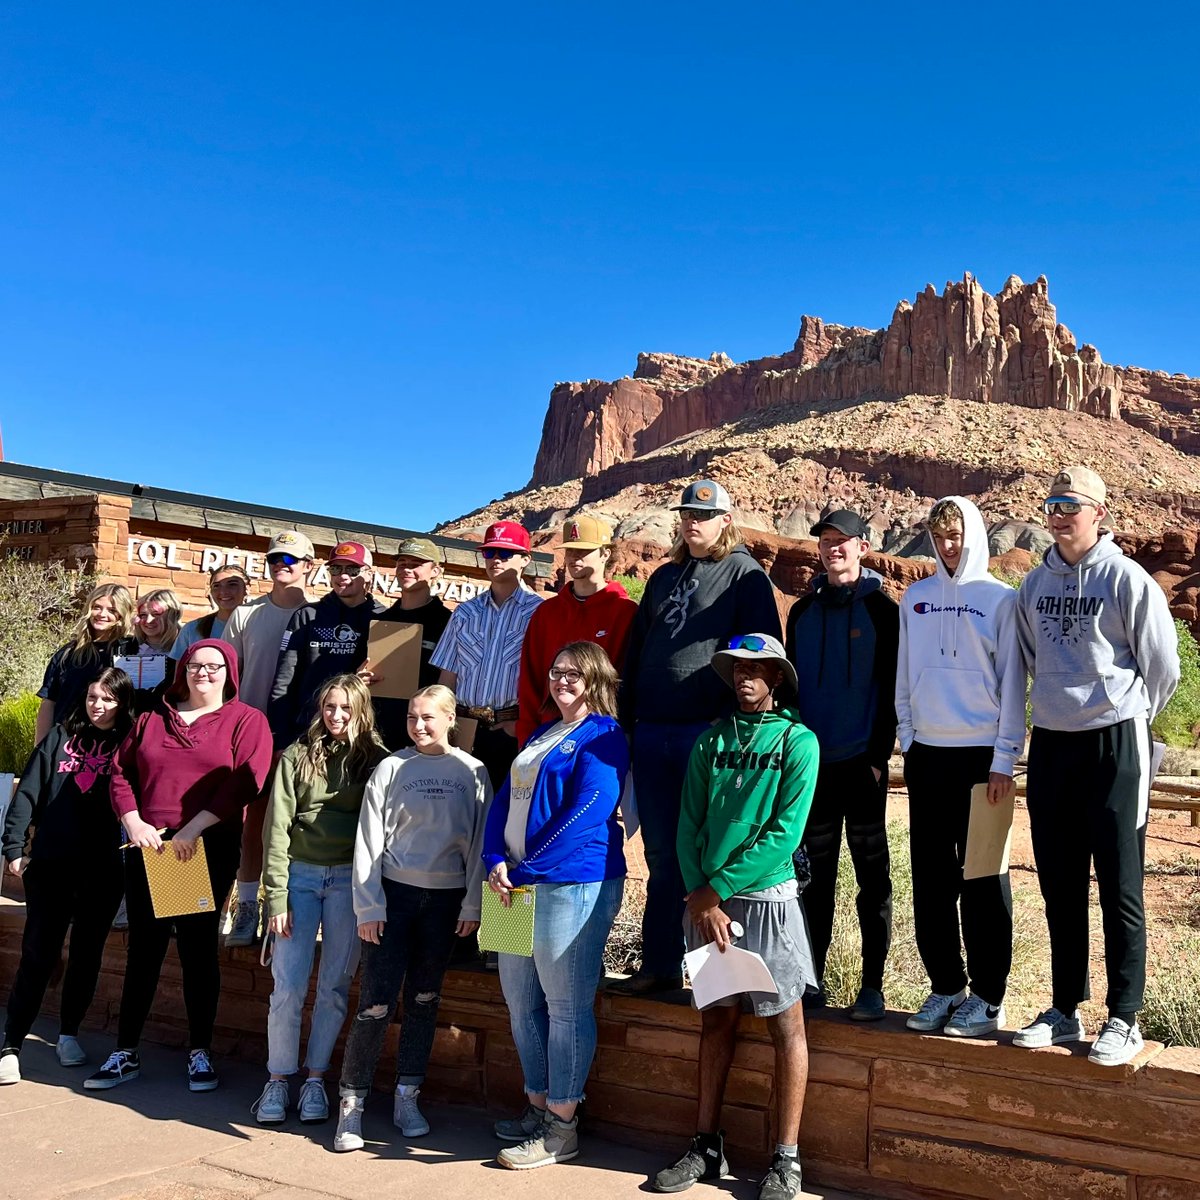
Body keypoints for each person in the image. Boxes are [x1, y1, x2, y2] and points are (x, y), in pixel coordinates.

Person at [1013, 466, 1179, 1066]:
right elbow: (1031, 658)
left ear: (1099, 511)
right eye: (1052, 503)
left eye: (1071, 504)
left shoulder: (1127, 579)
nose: (1059, 514)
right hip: (1053, 745)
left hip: (1116, 745)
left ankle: (1124, 1016)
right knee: (1059, 882)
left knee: (1120, 882)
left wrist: (1124, 715)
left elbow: (1162, 667)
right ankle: (1064, 1008)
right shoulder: (1033, 585)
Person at [653, 634, 818, 1200]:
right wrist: (702, 895)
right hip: (707, 903)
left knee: (785, 1025)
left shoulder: (798, 742)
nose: (744, 677)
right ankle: (705, 1145)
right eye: (737, 669)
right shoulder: (711, 741)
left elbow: (785, 833)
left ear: (777, 677)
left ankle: (787, 1158)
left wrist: (716, 889)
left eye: (757, 669)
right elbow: (687, 823)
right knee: (716, 1020)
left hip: (767, 901)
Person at [614, 479, 782, 996]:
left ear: (724, 521)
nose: (693, 523)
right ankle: (661, 965)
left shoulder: (744, 576)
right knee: (662, 852)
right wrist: (627, 719)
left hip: (703, 733)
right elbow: (636, 652)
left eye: (704, 516)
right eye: (686, 514)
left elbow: (761, 651)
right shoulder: (664, 576)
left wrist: (728, 720)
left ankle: (717, 980)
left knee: (705, 854)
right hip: (652, 731)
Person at [84, 640, 273, 1093]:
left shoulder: (246, 720)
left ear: (229, 672)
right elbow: (120, 772)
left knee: (196, 950)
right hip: (152, 848)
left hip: (200, 851)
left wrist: (194, 829)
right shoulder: (151, 718)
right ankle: (125, 1051)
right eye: (194, 665)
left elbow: (248, 780)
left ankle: (200, 1051)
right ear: (182, 670)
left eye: (213, 666)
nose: (202, 673)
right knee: (144, 950)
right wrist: (132, 821)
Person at [484, 642, 629, 1170]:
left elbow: (587, 813)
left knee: (565, 1006)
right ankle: (538, 1105)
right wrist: (493, 855)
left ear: (595, 679)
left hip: (572, 884)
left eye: (574, 673)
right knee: (520, 1001)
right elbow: (505, 799)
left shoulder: (605, 736)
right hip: (511, 887)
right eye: (556, 671)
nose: (562, 680)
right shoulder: (544, 732)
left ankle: (561, 1129)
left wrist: (521, 870)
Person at [334, 684, 491, 1151]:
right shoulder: (391, 767)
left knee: (424, 998)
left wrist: (472, 904)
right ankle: (352, 1103)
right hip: (393, 899)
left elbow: (482, 843)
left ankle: (407, 1094)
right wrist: (369, 904)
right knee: (376, 1002)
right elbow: (369, 840)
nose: (419, 726)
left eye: (428, 718)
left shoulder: (473, 772)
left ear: (451, 720)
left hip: (445, 904)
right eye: (411, 718)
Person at [896, 497, 1023, 1038]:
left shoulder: (999, 599)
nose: (949, 546)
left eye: (957, 536)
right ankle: (947, 985)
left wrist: (1003, 759)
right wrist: (907, 736)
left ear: (973, 536)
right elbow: (904, 671)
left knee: (983, 879)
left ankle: (988, 997)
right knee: (930, 879)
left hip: (982, 759)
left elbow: (1015, 684)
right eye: (940, 536)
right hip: (927, 754)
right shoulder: (916, 598)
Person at [251, 674, 389, 1125]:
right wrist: (275, 896)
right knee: (288, 985)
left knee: (333, 986)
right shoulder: (296, 756)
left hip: (350, 880)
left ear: (361, 710)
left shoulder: (377, 761)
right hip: (301, 878)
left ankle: (315, 1079)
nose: (336, 716)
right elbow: (276, 830)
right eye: (330, 707)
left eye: (346, 708)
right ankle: (277, 1079)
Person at [784, 508, 898, 1021]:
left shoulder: (883, 610)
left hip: (864, 766)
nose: (834, 548)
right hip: (814, 768)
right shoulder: (801, 614)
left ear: (863, 546)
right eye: (826, 540)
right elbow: (789, 691)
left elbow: (896, 689)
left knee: (873, 879)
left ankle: (872, 986)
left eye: (843, 540)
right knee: (814, 880)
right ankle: (812, 981)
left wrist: (879, 757)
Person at [0, 668, 135, 1084]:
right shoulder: (60, 737)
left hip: (103, 870)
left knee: (86, 956)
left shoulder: (129, 743)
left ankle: (68, 1034)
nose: (98, 705)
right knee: (38, 954)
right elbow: (27, 793)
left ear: (122, 703)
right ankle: (11, 1043)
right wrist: (13, 848)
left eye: (108, 699)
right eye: (94, 696)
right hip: (52, 866)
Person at [221, 529, 315, 947]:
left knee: (297, 827)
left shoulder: (320, 616)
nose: (283, 566)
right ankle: (238, 907)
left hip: (302, 740)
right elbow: (222, 679)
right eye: (276, 558)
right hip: (249, 739)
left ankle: (289, 912)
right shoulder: (245, 616)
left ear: (309, 565)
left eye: (291, 560)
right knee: (247, 826)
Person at [432, 521, 542, 789]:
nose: (495, 559)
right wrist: (442, 725)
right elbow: (448, 677)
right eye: (489, 552)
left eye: (505, 554)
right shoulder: (464, 612)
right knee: (460, 814)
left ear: (525, 559)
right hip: (463, 728)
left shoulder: (541, 613)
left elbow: (545, 679)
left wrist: (523, 725)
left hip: (512, 731)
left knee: (505, 820)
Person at [516, 515, 638, 747]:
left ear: (605, 553)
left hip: (601, 738)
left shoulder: (626, 612)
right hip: (546, 736)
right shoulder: (546, 612)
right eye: (570, 550)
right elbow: (530, 679)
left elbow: (629, 681)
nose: (574, 557)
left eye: (583, 551)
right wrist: (527, 736)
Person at [270, 541, 385, 750]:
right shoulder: (307, 615)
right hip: (307, 732)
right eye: (336, 568)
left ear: (368, 574)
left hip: (359, 736)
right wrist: (279, 738)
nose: (343, 575)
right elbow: (284, 680)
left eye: (352, 569)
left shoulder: (383, 619)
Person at [363, 537, 453, 750]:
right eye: (402, 564)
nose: (406, 570)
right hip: (378, 731)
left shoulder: (448, 622)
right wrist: (362, 678)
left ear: (435, 571)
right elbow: (362, 672)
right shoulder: (381, 621)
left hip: (423, 734)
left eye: (415, 564)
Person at [35, 583, 136, 745]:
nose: (102, 614)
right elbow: (49, 702)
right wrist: (40, 748)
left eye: (111, 610)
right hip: (65, 744)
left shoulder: (130, 652)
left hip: (111, 746)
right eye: (97, 607)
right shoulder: (69, 652)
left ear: (122, 615)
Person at [169, 564, 251, 662]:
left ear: (247, 589)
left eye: (232, 584)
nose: (223, 591)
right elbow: (179, 674)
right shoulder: (192, 630)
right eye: (216, 586)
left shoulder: (260, 627)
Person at [121, 588, 183, 710]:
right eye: (143, 615)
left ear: (172, 615)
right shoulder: (124, 648)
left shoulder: (184, 651)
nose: (148, 621)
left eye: (156, 614)